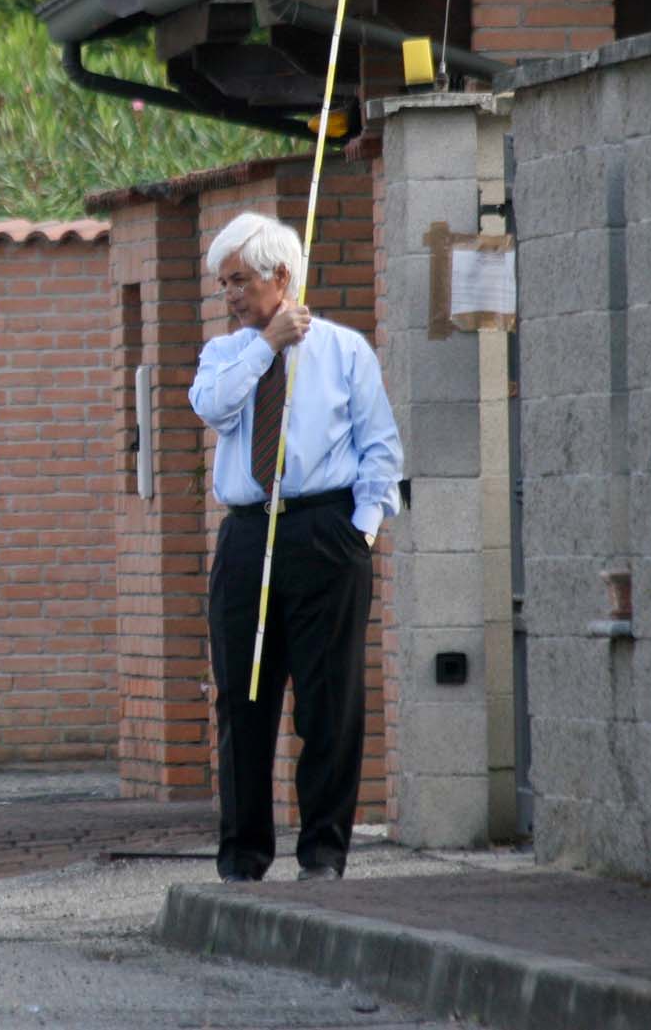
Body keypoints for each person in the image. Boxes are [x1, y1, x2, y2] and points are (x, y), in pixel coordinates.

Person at [189, 212, 402, 884]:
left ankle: (323, 851)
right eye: (223, 283)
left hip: (323, 530)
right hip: (250, 532)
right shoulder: (227, 352)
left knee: (329, 697)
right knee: (243, 695)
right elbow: (211, 407)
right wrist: (264, 345)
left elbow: (381, 449)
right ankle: (243, 853)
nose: (230, 296)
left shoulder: (344, 351)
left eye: (240, 281)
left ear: (281, 276)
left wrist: (360, 528)